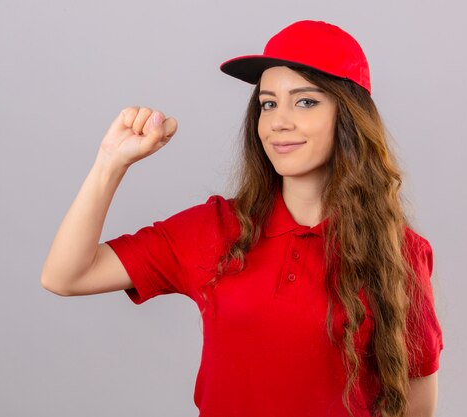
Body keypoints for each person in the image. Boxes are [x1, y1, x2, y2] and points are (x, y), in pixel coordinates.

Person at [41, 20, 443, 417]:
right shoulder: (215, 228)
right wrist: (110, 163)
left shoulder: (399, 252)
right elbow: (66, 276)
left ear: (349, 117)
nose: (279, 121)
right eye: (268, 103)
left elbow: (416, 408)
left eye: (305, 101)